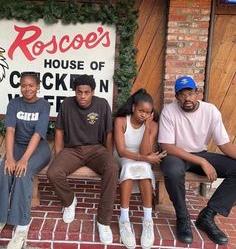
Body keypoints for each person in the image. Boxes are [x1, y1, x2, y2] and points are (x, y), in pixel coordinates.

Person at [158, 76, 236, 245]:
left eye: (191, 93)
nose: (187, 98)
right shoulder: (169, 111)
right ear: (177, 96)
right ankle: (183, 217)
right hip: (176, 155)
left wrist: (203, 159)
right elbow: (167, 145)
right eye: (182, 94)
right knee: (172, 170)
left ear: (197, 93)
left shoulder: (211, 111)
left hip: (201, 153)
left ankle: (207, 216)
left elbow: (224, 144)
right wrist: (202, 162)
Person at [47, 74, 119, 245]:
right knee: (53, 172)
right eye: (79, 92)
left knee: (112, 168)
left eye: (87, 92)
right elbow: (59, 131)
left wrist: (108, 155)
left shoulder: (102, 104)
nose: (83, 96)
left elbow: (109, 133)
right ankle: (69, 201)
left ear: (93, 92)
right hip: (72, 150)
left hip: (97, 149)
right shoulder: (66, 105)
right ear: (75, 91)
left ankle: (103, 222)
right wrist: (59, 155)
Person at [0, 71, 51, 249]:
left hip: (38, 148)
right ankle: (1, 217)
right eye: (23, 85)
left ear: (38, 86)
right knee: (4, 169)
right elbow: (10, 130)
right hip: (17, 146)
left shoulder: (44, 105)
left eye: (31, 85)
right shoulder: (14, 103)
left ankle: (22, 224)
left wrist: (24, 160)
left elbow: (38, 134)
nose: (26, 89)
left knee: (23, 172)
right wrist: (10, 157)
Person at [114, 89, 165, 249]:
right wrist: (147, 159)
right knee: (130, 167)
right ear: (133, 107)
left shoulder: (153, 125)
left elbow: (144, 151)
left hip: (142, 156)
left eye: (147, 112)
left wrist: (148, 127)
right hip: (123, 156)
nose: (144, 115)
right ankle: (124, 218)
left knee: (144, 168)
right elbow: (121, 151)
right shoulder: (121, 121)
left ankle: (148, 219)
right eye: (141, 110)